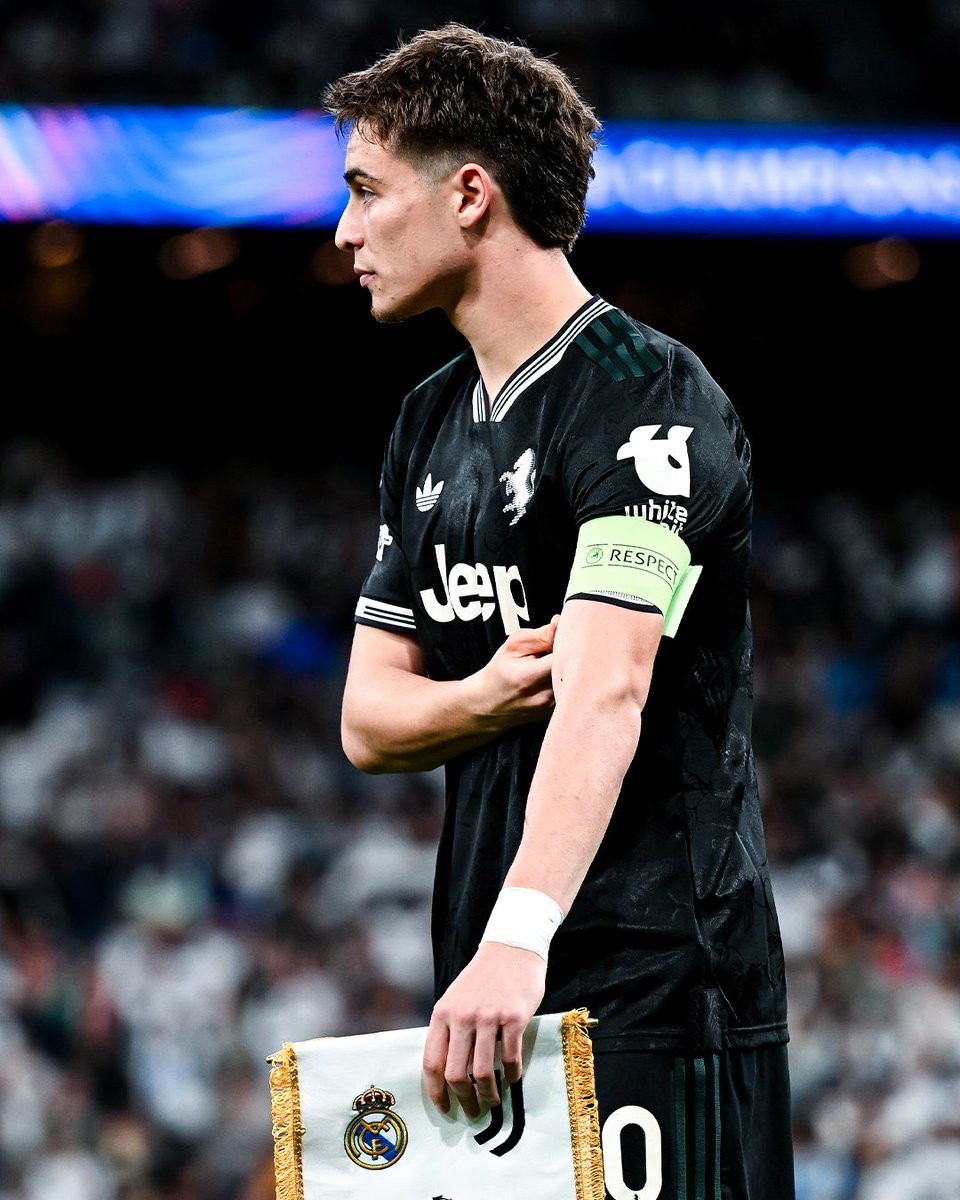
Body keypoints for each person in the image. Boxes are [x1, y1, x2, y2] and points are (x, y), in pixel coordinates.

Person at [325, 22, 795, 1199]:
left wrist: (517, 936)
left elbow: (608, 687)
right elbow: (369, 721)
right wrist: (484, 697)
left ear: (469, 195)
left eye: (368, 191)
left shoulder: (650, 400)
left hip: (656, 991)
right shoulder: (427, 423)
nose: (345, 232)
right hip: (493, 999)